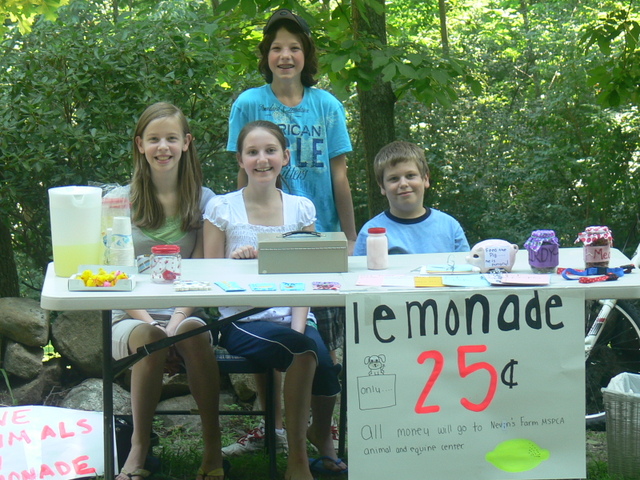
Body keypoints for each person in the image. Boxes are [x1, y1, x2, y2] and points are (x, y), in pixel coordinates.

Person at [225, 8, 352, 454]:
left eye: (294, 47)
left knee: (321, 344)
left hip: (318, 239)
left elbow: (339, 175)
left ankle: (320, 434)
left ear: (306, 54)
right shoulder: (247, 103)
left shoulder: (327, 106)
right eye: (277, 47)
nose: (285, 55)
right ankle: (273, 430)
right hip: (258, 242)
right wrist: (238, 233)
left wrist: (349, 237)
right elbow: (242, 175)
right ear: (266, 54)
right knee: (268, 328)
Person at [203, 120, 347, 480]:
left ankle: (318, 433)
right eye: (252, 152)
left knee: (323, 364)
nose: (262, 159)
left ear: (285, 157)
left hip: (294, 315)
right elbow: (208, 277)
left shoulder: (301, 208)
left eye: (270, 151)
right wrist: (236, 264)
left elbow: (306, 277)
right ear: (240, 160)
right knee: (302, 351)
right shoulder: (222, 208)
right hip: (242, 319)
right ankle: (297, 461)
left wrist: (300, 325)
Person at [111, 103, 224, 480]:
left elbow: (205, 273)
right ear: (140, 145)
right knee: (150, 337)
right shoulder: (117, 201)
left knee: (192, 332)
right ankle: (138, 449)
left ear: (186, 143)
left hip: (184, 312)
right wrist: (157, 329)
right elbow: (113, 277)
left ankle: (213, 448)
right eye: (154, 139)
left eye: (172, 138)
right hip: (130, 315)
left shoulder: (206, 201)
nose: (163, 147)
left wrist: (174, 324)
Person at [354, 141, 470, 255]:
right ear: (382, 186)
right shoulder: (371, 234)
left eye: (410, 176)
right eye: (394, 179)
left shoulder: (450, 227)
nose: (403, 184)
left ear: (425, 179)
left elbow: (467, 266)